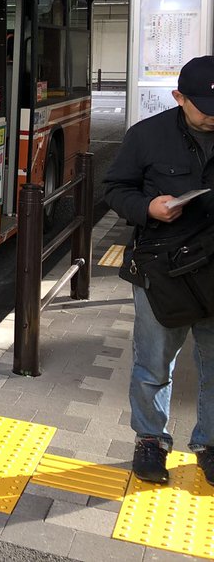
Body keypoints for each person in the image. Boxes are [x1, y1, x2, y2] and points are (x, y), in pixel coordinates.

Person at [103, 55, 214, 486]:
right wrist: (147, 208)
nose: (211, 115)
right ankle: (150, 439)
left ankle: (208, 443)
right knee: (153, 365)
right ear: (178, 98)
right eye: (203, 105)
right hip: (162, 272)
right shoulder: (146, 136)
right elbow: (115, 188)